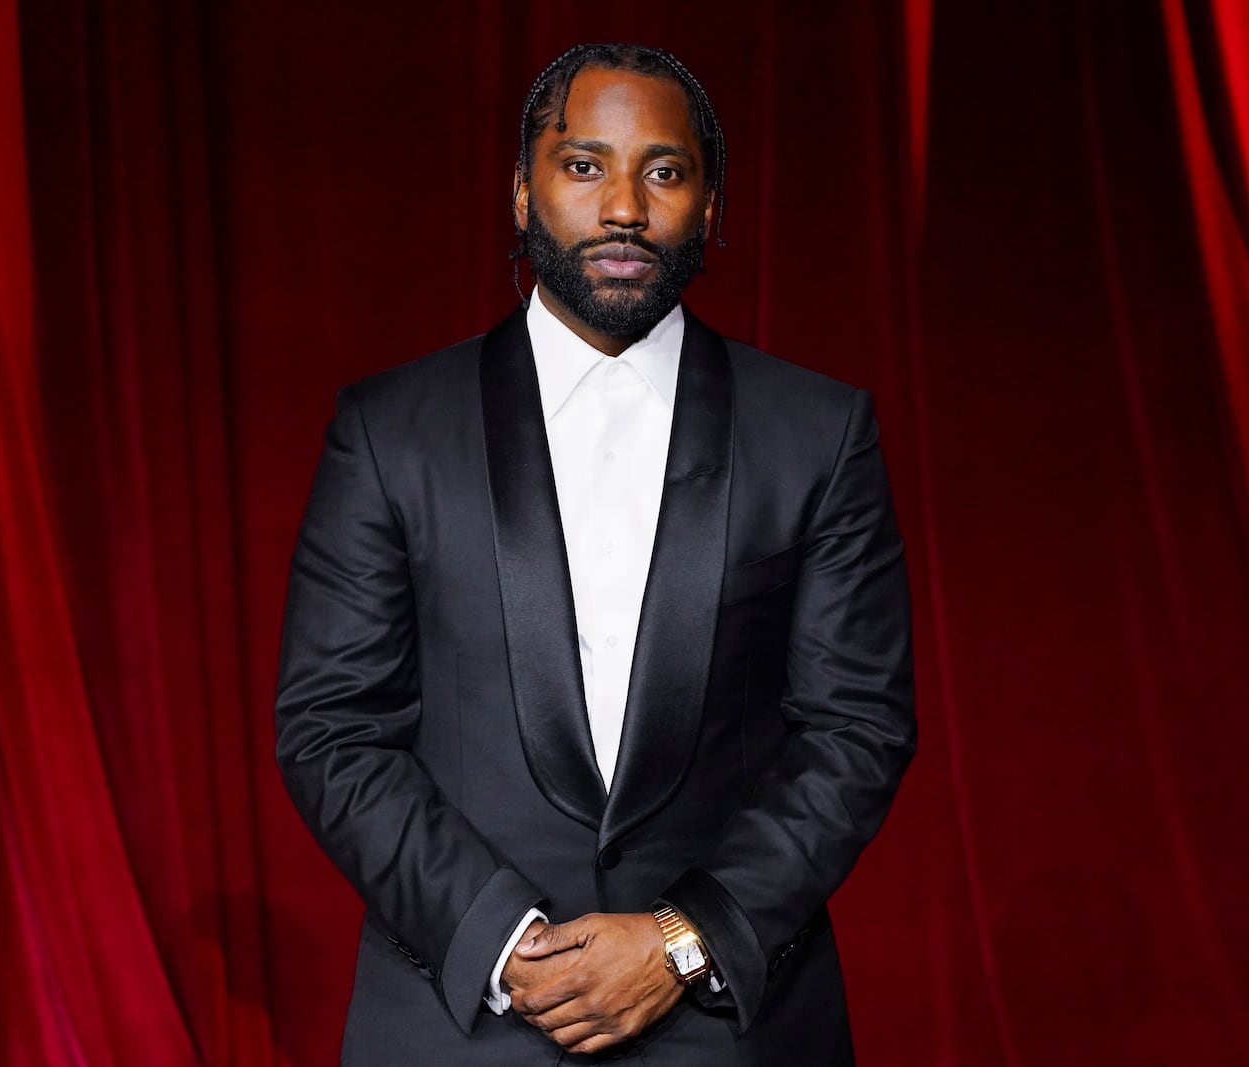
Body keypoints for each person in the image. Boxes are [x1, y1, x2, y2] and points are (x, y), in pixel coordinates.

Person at [275, 42, 915, 1065]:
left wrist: (679, 940)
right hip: (460, 1019)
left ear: (709, 208)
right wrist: (501, 939)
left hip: (727, 1020)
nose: (624, 205)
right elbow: (331, 726)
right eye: (583, 166)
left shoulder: (816, 429)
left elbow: (856, 728)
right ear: (522, 196)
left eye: (664, 171)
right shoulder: (390, 427)